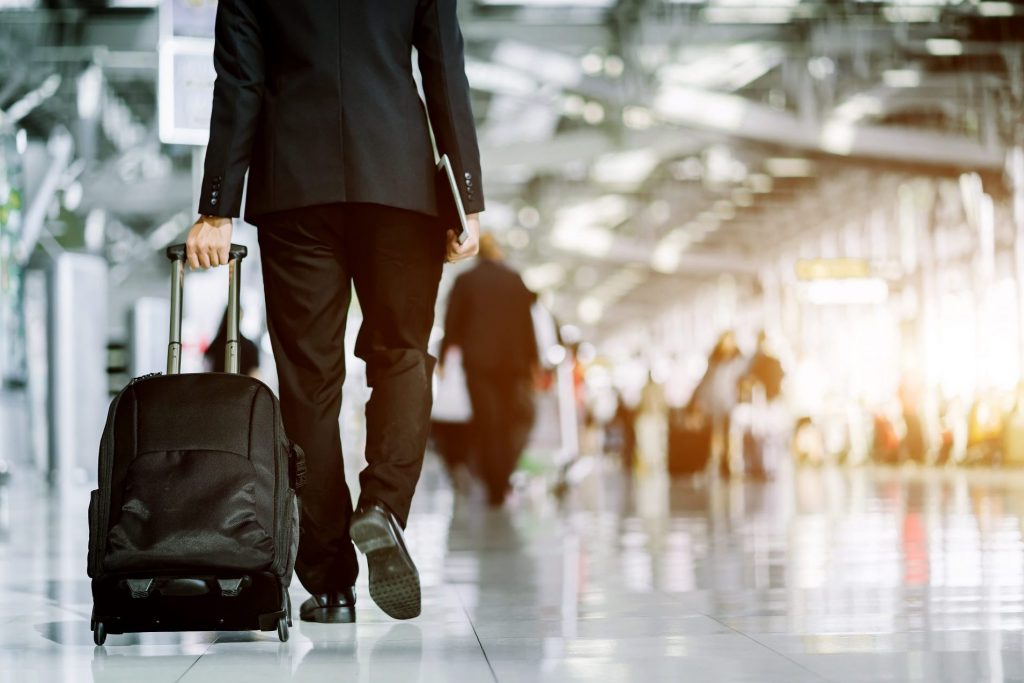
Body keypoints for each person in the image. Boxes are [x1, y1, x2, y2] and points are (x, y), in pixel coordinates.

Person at [184, 0, 483, 623]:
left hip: (295, 189)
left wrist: (217, 206)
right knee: (401, 354)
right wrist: (467, 199)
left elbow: (241, 77)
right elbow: (443, 68)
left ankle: (330, 583)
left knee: (309, 382)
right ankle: (383, 510)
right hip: (399, 183)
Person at [441, 234, 538, 506]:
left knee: (486, 423)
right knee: (507, 422)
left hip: (479, 363)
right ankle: (503, 478)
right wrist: (533, 361)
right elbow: (526, 324)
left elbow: (452, 322)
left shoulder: (465, 282)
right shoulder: (515, 280)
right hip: (512, 364)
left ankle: (493, 482)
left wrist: (442, 358)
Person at [693, 331, 746, 477]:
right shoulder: (714, 360)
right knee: (716, 433)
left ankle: (729, 462)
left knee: (731, 432)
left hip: (731, 402)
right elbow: (707, 381)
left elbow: (743, 378)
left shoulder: (739, 359)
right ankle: (715, 461)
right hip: (714, 401)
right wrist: (700, 400)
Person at [203, 308, 262, 378]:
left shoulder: (215, 345)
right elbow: (255, 376)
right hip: (241, 387)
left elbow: (207, 371)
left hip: (218, 386)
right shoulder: (250, 347)